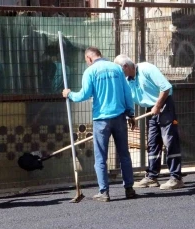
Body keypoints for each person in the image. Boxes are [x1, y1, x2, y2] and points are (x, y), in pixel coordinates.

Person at [62, 47, 136, 202]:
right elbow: (127, 92)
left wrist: (69, 94)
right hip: (120, 117)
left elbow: (84, 94)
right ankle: (129, 188)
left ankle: (104, 192)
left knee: (100, 157)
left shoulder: (90, 72)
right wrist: (131, 113)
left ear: (89, 58)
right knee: (124, 154)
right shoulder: (117, 68)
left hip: (101, 120)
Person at [114, 54, 184, 190]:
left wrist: (158, 106)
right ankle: (152, 176)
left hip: (164, 105)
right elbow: (128, 99)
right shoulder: (128, 80)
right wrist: (131, 115)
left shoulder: (147, 69)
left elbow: (166, 87)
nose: (119, 75)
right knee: (152, 143)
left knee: (170, 141)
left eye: (120, 71)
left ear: (126, 67)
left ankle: (176, 177)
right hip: (150, 110)